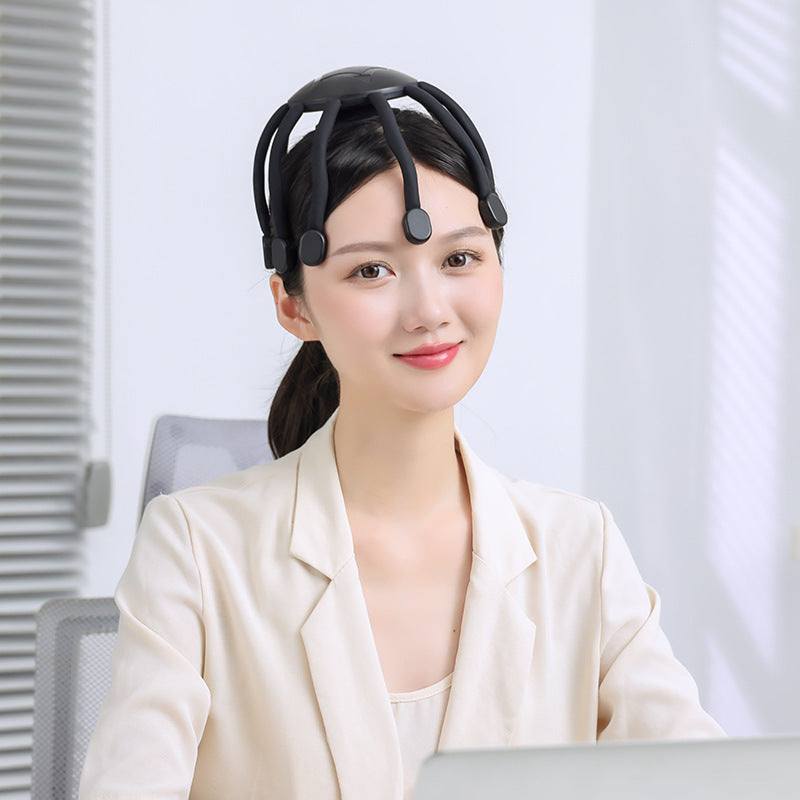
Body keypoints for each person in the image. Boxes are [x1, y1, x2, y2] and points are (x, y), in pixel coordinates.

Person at [78, 76, 725, 800]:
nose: (428, 311)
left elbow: (707, 781)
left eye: (459, 259)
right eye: (372, 270)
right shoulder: (195, 551)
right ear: (293, 307)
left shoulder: (582, 550)